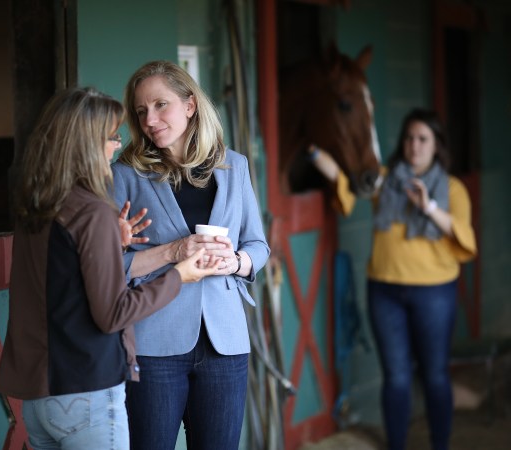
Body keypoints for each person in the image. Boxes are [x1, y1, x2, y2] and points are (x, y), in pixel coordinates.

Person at [0, 87, 220, 450]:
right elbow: (113, 314)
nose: (116, 146)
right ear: (87, 143)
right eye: (112, 137)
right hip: (86, 392)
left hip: (39, 399)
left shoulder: (37, 207)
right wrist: (180, 275)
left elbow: (63, 281)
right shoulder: (93, 211)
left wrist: (112, 244)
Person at [111, 60, 270, 450]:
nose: (150, 120)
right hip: (153, 343)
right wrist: (173, 251)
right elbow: (108, 267)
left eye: (160, 105)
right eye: (141, 111)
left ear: (190, 105)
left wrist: (237, 262)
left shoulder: (235, 166)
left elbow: (258, 246)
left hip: (225, 344)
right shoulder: (125, 174)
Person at [308, 108, 477, 450]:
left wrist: (428, 206)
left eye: (423, 139)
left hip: (435, 293)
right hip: (384, 291)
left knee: (434, 375)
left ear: (437, 145)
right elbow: (346, 187)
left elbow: (464, 237)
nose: (415, 145)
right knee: (396, 377)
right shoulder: (384, 180)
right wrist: (312, 151)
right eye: (410, 138)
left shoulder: (452, 188)